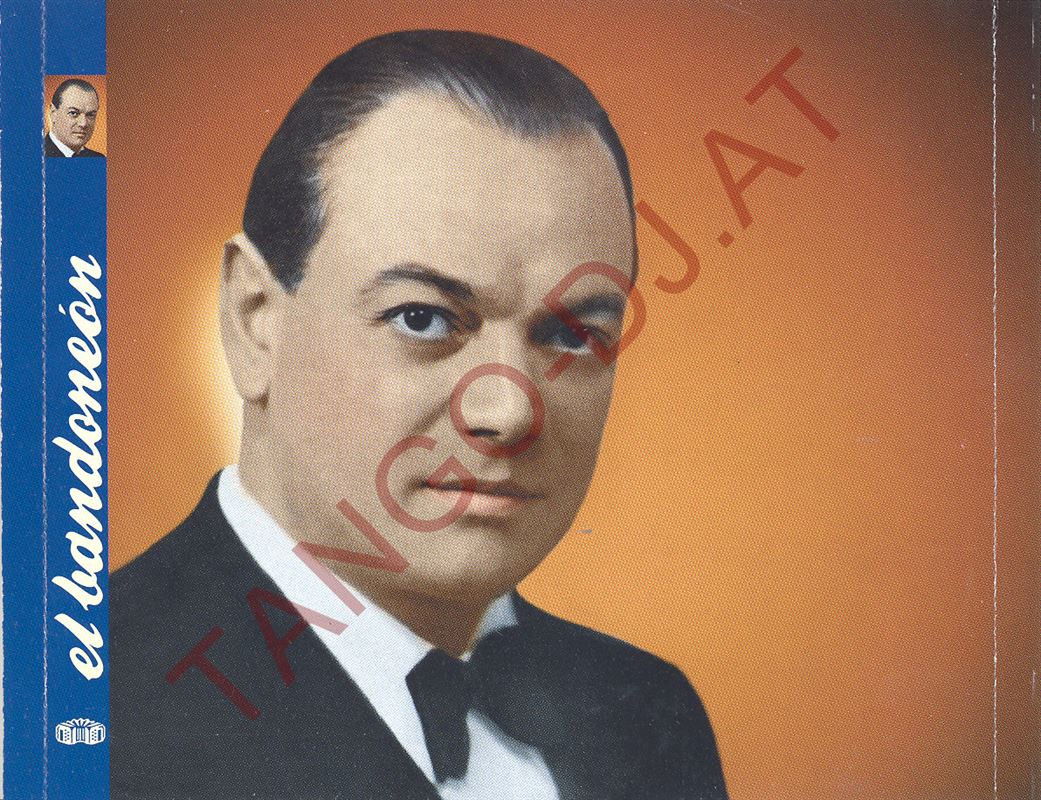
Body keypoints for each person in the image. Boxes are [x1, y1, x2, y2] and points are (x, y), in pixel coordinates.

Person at [111, 30, 728, 799]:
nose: (508, 409)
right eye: (423, 318)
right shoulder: (81, 711)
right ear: (254, 320)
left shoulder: (648, 714)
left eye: (571, 335)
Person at [45, 78, 104, 157]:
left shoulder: (98, 158)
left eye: (90, 115)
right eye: (73, 113)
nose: (83, 124)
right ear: (53, 113)